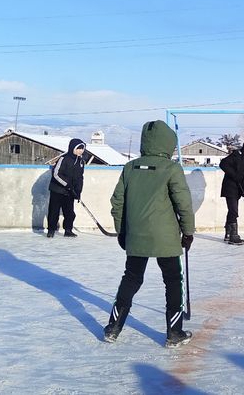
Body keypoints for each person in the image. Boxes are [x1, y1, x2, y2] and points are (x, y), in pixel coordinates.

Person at [104, 120, 195, 348]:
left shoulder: (130, 168)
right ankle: (174, 333)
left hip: (136, 234)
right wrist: (188, 232)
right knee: (172, 280)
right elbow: (183, 203)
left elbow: (117, 202)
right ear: (168, 143)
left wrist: (122, 231)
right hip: (165, 237)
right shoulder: (171, 168)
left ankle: (113, 327)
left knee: (131, 277)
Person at [219, 139, 244, 245]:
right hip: (230, 187)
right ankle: (233, 236)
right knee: (234, 211)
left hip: (238, 190)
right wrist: (234, 175)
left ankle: (228, 233)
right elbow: (223, 164)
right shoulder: (236, 156)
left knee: (232, 211)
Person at [47, 138, 86, 238]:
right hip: (57, 190)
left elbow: (80, 177)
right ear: (73, 148)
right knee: (54, 212)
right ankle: (51, 230)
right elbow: (56, 174)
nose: (80, 151)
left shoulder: (81, 162)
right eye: (78, 148)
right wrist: (67, 185)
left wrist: (78, 191)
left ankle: (68, 230)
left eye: (82, 149)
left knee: (70, 213)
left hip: (70, 192)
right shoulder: (64, 159)